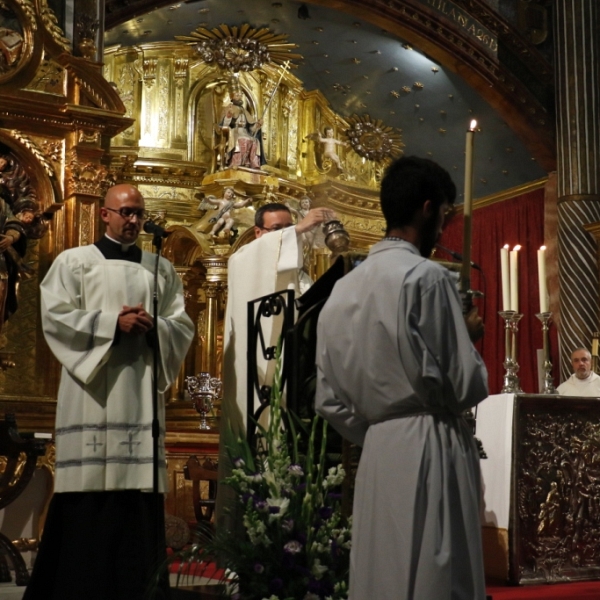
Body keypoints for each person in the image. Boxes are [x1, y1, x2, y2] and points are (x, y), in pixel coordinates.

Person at [315, 156, 488, 600]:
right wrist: (468, 336)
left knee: (382, 575)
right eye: (446, 216)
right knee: (436, 572)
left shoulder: (341, 289)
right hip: (432, 442)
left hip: (378, 449)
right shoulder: (426, 278)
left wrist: (380, 425)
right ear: (427, 209)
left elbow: (328, 400)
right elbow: (466, 384)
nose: (444, 231)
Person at [24, 184, 194, 600]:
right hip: (91, 392)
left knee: (135, 499)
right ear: (105, 215)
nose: (133, 220)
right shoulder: (74, 262)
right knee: (88, 498)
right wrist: (109, 325)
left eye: (138, 213)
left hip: (139, 392)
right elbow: (55, 316)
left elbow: (182, 324)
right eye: (125, 212)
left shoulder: (160, 269)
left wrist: (157, 326)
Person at [216, 202, 334, 529]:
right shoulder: (243, 262)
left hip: (297, 389)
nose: (286, 236)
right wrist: (298, 228)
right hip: (260, 387)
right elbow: (251, 262)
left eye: (288, 227)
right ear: (258, 233)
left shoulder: (300, 279)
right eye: (277, 230)